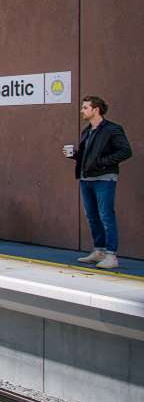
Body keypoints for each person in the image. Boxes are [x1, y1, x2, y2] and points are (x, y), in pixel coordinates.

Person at [70, 95, 132, 271]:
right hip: (86, 178)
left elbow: (126, 151)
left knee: (106, 215)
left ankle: (111, 255)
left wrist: (102, 162)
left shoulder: (112, 129)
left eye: (85, 107)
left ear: (96, 109)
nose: (82, 110)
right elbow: (86, 156)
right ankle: (99, 251)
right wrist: (75, 155)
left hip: (104, 178)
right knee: (92, 216)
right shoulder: (86, 131)